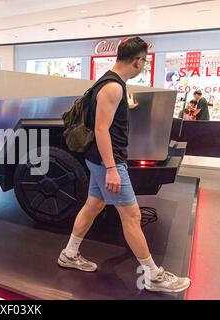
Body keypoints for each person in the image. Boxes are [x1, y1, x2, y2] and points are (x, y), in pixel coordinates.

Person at [58, 37, 191, 293]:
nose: (144, 65)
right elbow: (100, 129)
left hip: (98, 160)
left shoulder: (112, 84)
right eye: (144, 61)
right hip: (108, 161)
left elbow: (104, 118)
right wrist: (111, 168)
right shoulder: (113, 87)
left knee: (94, 205)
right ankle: (153, 275)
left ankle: (69, 254)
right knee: (132, 216)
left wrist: (124, 107)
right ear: (139, 61)